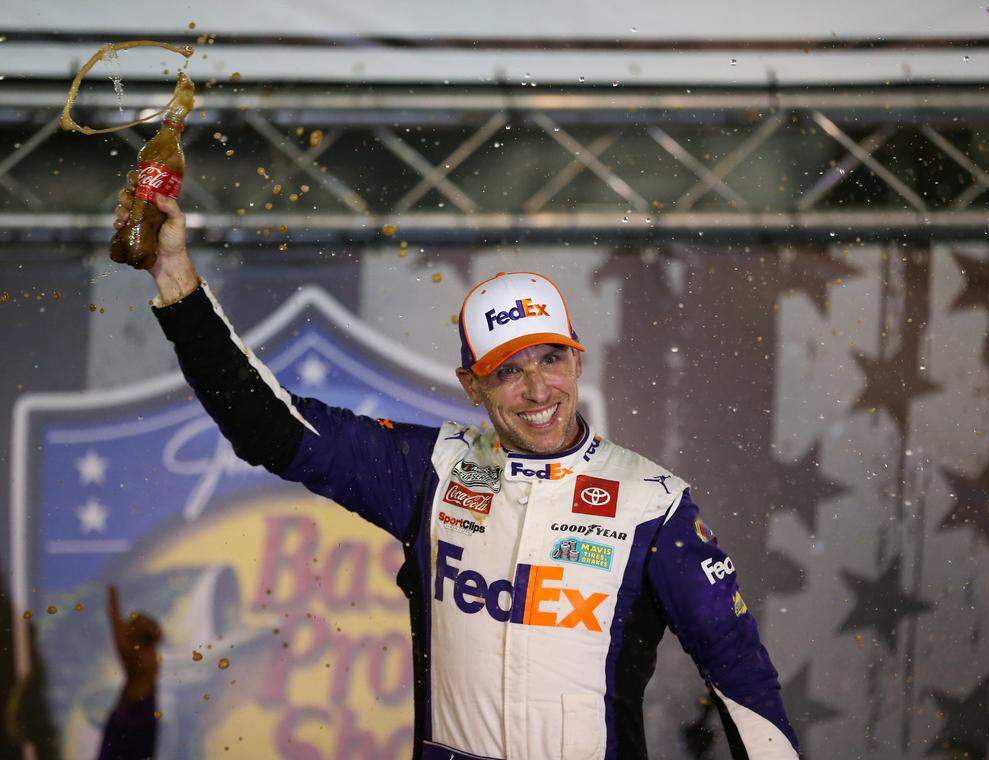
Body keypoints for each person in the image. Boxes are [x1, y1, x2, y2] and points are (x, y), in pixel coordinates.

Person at [112, 182, 799, 760]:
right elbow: (269, 425)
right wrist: (174, 276)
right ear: (472, 385)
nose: (538, 390)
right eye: (508, 371)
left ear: (577, 358)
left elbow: (737, 670)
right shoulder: (433, 471)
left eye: (551, 359)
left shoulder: (653, 503)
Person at [97, 586, 161, 760]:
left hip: (133, 722)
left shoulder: (136, 655)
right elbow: (118, 624)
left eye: (132, 625)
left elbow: (117, 624)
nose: (127, 626)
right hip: (135, 720)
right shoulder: (143, 654)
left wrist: (113, 603)